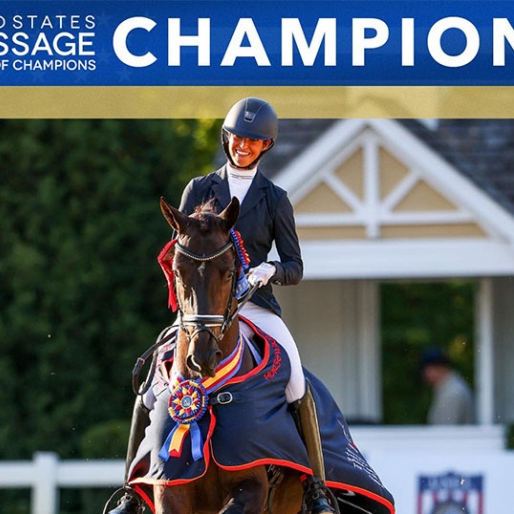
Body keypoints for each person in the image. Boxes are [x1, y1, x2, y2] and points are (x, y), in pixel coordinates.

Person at [109, 98, 336, 514]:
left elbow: (295, 265)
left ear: (265, 146)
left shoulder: (274, 198)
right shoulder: (199, 188)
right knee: (148, 391)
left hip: (254, 304)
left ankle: (316, 489)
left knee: (296, 380)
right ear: (227, 139)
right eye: (237, 139)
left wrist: (269, 271)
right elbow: (184, 244)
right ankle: (130, 492)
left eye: (253, 141)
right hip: (202, 308)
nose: (243, 147)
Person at [420, 348, 475, 425]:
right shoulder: (448, 388)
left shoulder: (452, 392)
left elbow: (445, 431)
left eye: (426, 370)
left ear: (438, 368)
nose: (424, 375)